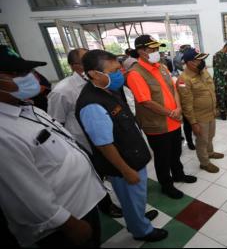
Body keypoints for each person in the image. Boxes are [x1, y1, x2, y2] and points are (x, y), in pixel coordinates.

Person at [0, 45, 106, 247]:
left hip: (83, 204)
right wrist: (68, 224)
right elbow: (25, 194)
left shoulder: (26, 107)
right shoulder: (3, 133)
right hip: (64, 223)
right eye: (17, 73)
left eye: (27, 71)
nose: (29, 77)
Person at [76, 49, 168, 242]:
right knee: (131, 199)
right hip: (123, 165)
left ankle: (138, 218)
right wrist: (125, 170)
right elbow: (104, 145)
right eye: (114, 71)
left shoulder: (108, 90)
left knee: (136, 198)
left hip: (132, 156)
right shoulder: (92, 104)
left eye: (119, 69)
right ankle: (141, 230)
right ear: (94, 73)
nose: (120, 74)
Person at [47, 48, 123, 219]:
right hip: (85, 144)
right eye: (86, 60)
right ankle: (106, 206)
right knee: (96, 177)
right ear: (76, 66)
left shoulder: (104, 82)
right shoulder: (62, 91)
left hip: (110, 138)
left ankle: (126, 204)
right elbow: (55, 123)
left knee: (115, 174)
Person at [126, 35, 197, 200]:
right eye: (152, 49)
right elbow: (146, 101)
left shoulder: (161, 67)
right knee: (162, 158)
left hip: (173, 121)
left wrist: (178, 108)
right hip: (157, 124)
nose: (156, 52)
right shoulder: (135, 73)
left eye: (157, 48)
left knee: (176, 152)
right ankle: (167, 185)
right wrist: (170, 112)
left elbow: (173, 90)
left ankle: (179, 174)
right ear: (141, 51)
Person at [177, 48, 224, 174]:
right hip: (199, 116)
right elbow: (186, 104)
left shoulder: (203, 71)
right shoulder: (183, 79)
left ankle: (210, 153)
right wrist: (193, 123)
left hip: (210, 112)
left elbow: (211, 90)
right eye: (198, 59)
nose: (202, 61)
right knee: (202, 140)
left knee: (210, 136)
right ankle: (204, 163)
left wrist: (215, 107)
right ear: (189, 62)